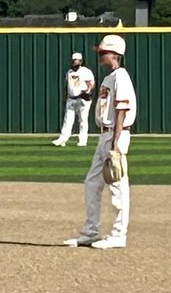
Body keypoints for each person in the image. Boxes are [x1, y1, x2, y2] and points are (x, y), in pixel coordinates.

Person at [64, 33, 135, 249]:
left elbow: (122, 110)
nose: (100, 55)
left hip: (116, 134)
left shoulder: (121, 76)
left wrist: (115, 145)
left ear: (113, 54)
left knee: (117, 186)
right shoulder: (108, 78)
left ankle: (118, 235)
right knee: (92, 183)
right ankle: (90, 232)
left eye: (103, 52)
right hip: (105, 134)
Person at [52, 51, 95, 146]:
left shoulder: (85, 71)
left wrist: (88, 91)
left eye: (76, 61)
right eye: (73, 61)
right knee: (68, 119)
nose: (74, 62)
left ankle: (82, 140)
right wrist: (65, 96)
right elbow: (67, 85)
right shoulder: (69, 72)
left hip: (82, 98)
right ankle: (63, 139)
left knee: (83, 120)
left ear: (81, 61)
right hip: (71, 98)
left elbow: (91, 83)